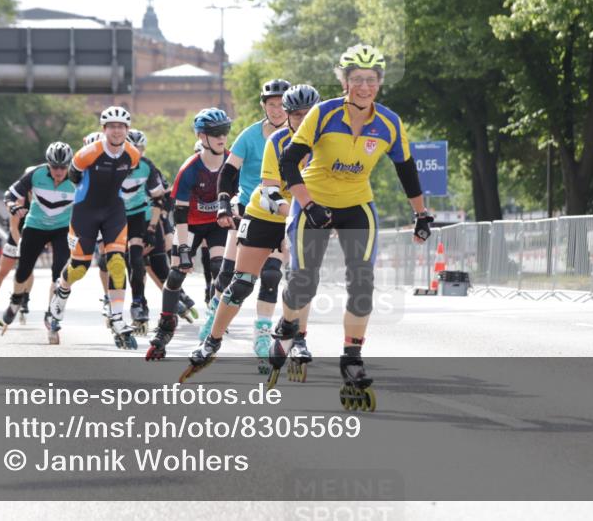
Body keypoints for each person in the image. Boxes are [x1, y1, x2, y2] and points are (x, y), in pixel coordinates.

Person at [275, 45, 433, 411]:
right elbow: (288, 162)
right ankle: (286, 325)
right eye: (356, 79)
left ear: (379, 83)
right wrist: (308, 203)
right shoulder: (323, 113)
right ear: (345, 81)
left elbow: (406, 169)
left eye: (371, 80)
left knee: (362, 282)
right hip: (313, 199)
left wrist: (421, 214)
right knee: (303, 282)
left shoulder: (389, 122)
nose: (364, 87)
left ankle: (351, 358)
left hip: (357, 205)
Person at [182, 84, 321, 383]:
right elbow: (269, 192)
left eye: (307, 114)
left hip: (300, 212)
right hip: (263, 210)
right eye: (295, 114)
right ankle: (212, 340)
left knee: (297, 279)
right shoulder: (275, 140)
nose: (300, 118)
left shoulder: (327, 142)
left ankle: (296, 339)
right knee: (241, 281)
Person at [200, 79, 291, 370]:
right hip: (249, 209)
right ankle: (212, 324)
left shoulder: (300, 136)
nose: (277, 110)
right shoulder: (251, 135)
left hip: (283, 211)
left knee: (273, 275)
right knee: (229, 277)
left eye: (281, 105)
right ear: (263, 106)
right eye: (272, 105)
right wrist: (224, 202)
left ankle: (262, 335)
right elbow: (228, 172)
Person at [47, 108, 140, 348]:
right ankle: (61, 292)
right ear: (104, 129)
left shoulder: (132, 153)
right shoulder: (88, 153)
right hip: (85, 211)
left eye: (121, 126)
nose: (117, 130)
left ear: (127, 130)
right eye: (112, 126)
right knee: (79, 268)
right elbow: (74, 176)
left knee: (118, 262)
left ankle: (118, 318)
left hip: (114, 211)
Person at [145, 108, 231, 360]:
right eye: (215, 132)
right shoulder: (190, 169)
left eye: (224, 131)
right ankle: (166, 326)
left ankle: (214, 320)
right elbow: (179, 213)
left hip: (217, 223)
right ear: (201, 136)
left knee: (220, 269)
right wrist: (183, 250)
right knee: (176, 272)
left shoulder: (232, 162)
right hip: (190, 224)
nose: (221, 137)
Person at [0, 143, 76, 333]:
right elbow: (9, 194)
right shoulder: (37, 174)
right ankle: (16, 299)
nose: (58, 171)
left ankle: (51, 312)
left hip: (61, 228)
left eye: (63, 167)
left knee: (60, 274)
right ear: (48, 164)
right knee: (23, 271)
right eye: (54, 167)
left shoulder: (78, 177)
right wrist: (13, 206)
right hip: (35, 226)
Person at [120, 129, 165, 335]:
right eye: (132, 149)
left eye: (140, 149)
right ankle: (111, 304)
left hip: (138, 215)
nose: (137, 152)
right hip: (114, 216)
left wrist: (152, 228)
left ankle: (138, 303)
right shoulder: (113, 164)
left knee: (136, 260)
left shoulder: (147, 166)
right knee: (116, 263)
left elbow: (159, 199)